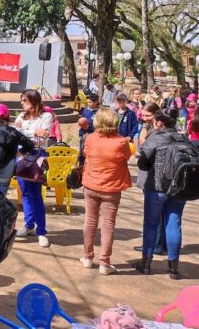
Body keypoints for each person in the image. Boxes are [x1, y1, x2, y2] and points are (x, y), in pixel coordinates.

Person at [135, 109, 189, 279]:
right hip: (178, 189)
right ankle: (173, 268)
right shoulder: (183, 139)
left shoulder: (155, 138)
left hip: (156, 188)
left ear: (159, 123)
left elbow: (142, 164)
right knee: (174, 224)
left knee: (150, 224)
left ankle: (146, 264)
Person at [79, 108, 132, 275]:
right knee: (108, 224)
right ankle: (104, 262)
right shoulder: (121, 142)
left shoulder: (90, 139)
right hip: (112, 187)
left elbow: (85, 154)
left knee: (90, 221)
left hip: (91, 185)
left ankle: (87, 257)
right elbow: (127, 157)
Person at [14, 89, 53, 247]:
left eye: (25, 100)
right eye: (22, 100)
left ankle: (42, 231)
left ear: (34, 101)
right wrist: (32, 131)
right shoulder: (21, 116)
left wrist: (25, 130)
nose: (22, 103)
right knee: (25, 192)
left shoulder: (46, 116)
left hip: (37, 155)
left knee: (35, 194)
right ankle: (29, 225)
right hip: (21, 155)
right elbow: (15, 132)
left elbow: (44, 136)